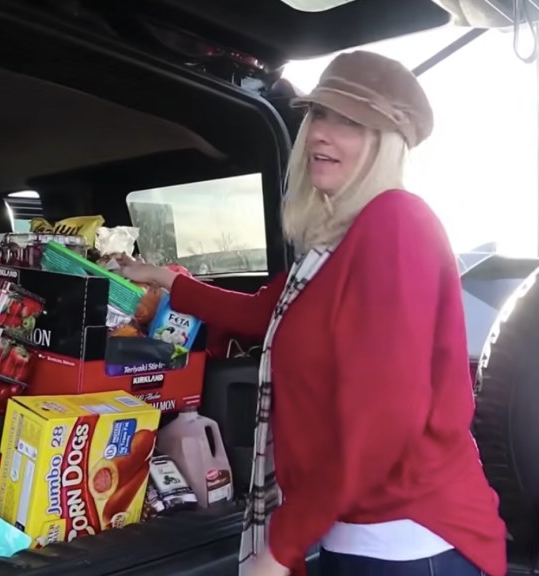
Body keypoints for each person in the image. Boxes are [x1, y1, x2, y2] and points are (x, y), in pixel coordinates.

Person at [119, 51, 507, 576]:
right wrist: (167, 280)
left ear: (387, 143)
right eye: (320, 115)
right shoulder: (334, 245)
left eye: (350, 123)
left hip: (413, 543)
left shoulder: (396, 222)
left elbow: (384, 419)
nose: (322, 134)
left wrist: (282, 545)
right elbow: (269, 313)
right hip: (355, 533)